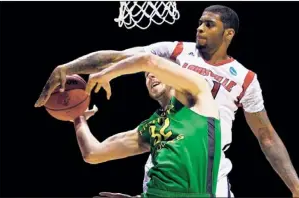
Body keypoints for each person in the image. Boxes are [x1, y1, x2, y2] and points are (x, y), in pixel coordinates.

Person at [34, 4, 299, 198]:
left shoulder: (244, 79)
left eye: (209, 24)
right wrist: (70, 70)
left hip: (207, 163)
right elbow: (123, 57)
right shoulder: (178, 52)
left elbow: (267, 136)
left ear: (228, 34)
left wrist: (295, 187)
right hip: (166, 143)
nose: (200, 28)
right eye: (200, 22)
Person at [72, 53, 223, 197]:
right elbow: (93, 154)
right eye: (146, 75)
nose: (150, 75)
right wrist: (77, 117)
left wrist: (106, 73)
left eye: (155, 72)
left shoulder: (198, 94)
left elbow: (148, 61)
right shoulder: (150, 127)